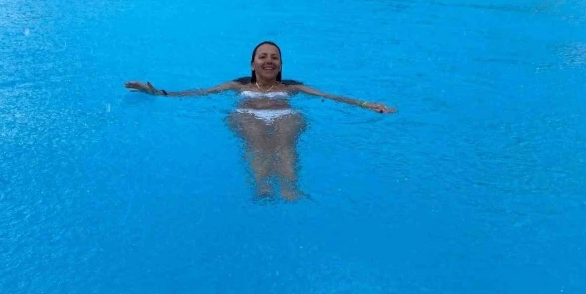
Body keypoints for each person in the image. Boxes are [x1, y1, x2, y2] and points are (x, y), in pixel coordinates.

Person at [125, 41, 395, 201]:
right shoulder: (237, 85)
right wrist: (157, 92)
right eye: (263, 57)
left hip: (284, 115)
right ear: (252, 64)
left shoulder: (292, 87)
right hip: (247, 115)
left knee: (285, 140)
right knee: (255, 139)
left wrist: (366, 104)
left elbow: (330, 96)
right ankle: (263, 186)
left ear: (281, 65)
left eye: (274, 58)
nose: (269, 61)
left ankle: (289, 188)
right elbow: (199, 93)